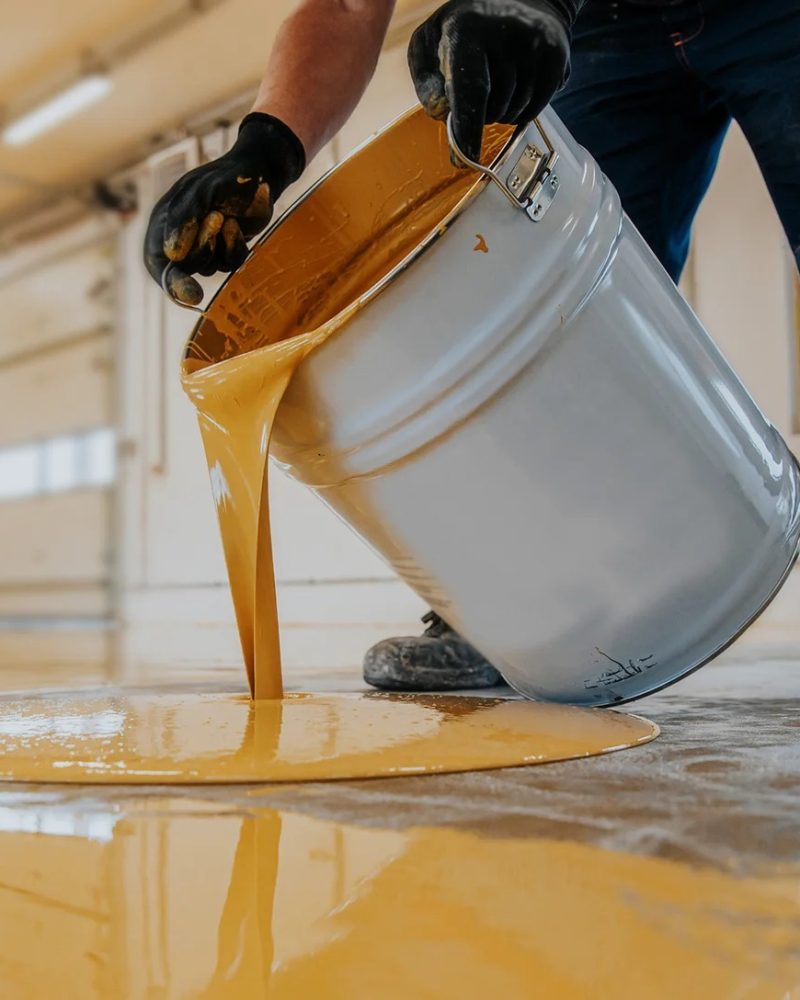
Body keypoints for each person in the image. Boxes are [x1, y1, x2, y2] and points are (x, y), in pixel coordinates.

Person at [144, 0, 800, 691]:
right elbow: (345, 7)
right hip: (611, 29)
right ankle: (516, 614)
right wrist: (265, 147)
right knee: (539, 290)